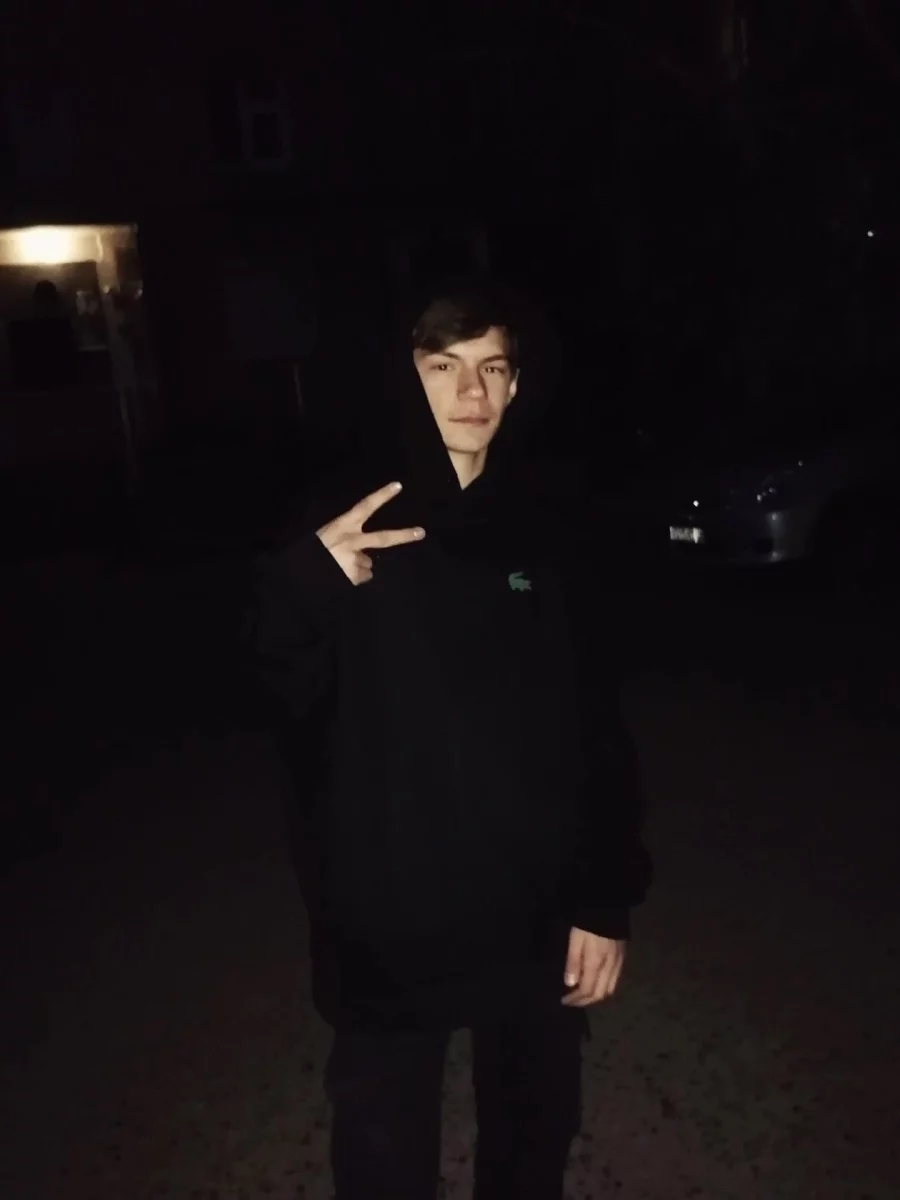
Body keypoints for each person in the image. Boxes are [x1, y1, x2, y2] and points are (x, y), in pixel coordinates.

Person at [249, 277, 652, 1200]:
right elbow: (265, 689)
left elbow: (598, 726)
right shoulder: (342, 522)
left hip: (533, 903)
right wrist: (303, 586)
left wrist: (605, 895)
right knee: (383, 1151)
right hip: (387, 914)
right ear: (405, 375)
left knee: (535, 1132)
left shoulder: (550, 529)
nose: (473, 392)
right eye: (444, 366)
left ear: (517, 385)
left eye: (493, 368)